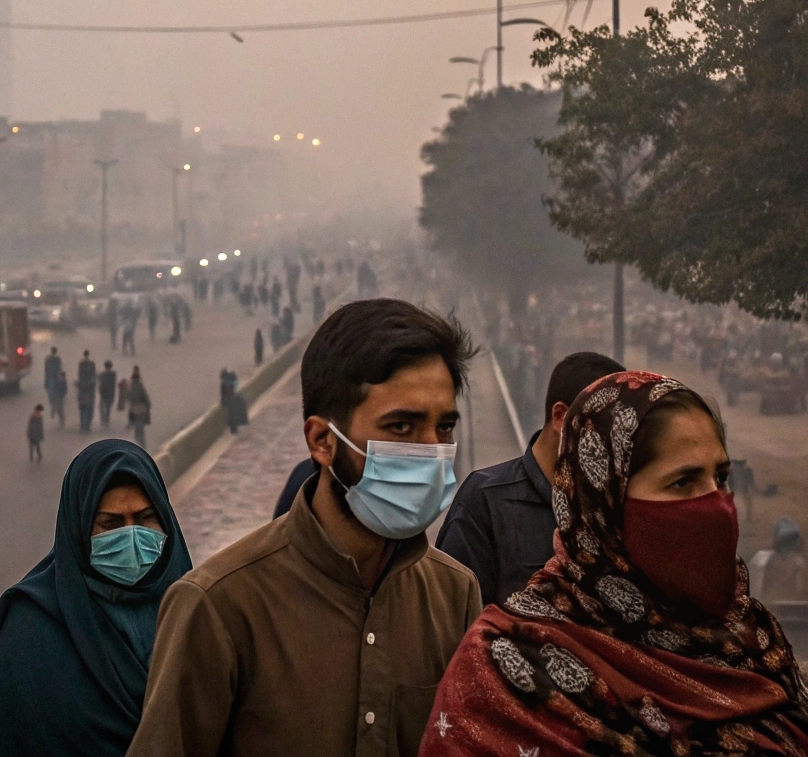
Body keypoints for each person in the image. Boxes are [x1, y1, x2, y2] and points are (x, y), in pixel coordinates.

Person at [128, 299, 483, 757]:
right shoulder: (220, 607)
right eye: (401, 426)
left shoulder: (454, 596)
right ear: (321, 441)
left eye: (445, 428)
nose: (432, 451)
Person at [419, 370, 808, 757]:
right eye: (683, 483)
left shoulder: (750, 634)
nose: (717, 505)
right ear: (606, 501)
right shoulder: (509, 663)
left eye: (721, 477)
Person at [0, 439, 192, 757]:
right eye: (110, 524)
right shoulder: (30, 629)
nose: (131, 535)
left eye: (146, 518)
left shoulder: (193, 612)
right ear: (77, 528)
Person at [436, 351, 624, 606]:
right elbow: (451, 614)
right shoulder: (488, 501)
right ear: (561, 417)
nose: (618, 448)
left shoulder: (613, 506)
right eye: (607, 429)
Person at [127, 367, 151, 451]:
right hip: (141, 412)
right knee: (141, 431)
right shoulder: (140, 387)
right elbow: (147, 400)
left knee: (137, 432)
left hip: (135, 411)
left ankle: (141, 447)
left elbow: (129, 399)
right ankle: (143, 447)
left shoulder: (131, 388)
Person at [77, 350, 97, 432]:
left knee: (82, 408)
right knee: (90, 408)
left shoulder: (81, 364)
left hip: (82, 390)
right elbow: (94, 375)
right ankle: (87, 425)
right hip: (90, 391)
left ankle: (82, 424)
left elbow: (79, 375)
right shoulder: (92, 364)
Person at [98, 360, 117, 428]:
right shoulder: (113, 374)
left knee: (101, 407)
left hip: (103, 393)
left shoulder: (102, 374)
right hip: (110, 394)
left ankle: (103, 420)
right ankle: (107, 421)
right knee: (108, 408)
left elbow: (98, 378)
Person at [44, 347, 63, 414]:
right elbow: (60, 369)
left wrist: (45, 383)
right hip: (54, 379)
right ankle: (55, 407)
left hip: (51, 379)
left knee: (51, 395)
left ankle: (53, 407)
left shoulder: (48, 359)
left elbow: (46, 371)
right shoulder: (57, 359)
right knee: (54, 395)